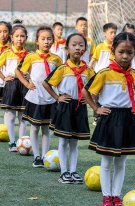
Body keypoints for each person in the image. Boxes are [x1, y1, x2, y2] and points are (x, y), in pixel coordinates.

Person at [82, 32, 135, 206]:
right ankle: (106, 196)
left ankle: (117, 196)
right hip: (109, 118)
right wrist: (96, 108)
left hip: (127, 120)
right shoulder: (104, 73)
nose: (125, 56)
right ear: (113, 51)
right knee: (107, 162)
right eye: (121, 52)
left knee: (121, 162)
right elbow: (86, 92)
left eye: (129, 52)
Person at [43, 33, 94, 184]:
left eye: (81, 45)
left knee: (75, 142)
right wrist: (57, 97)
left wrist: (90, 98)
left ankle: (73, 171)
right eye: (74, 45)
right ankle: (64, 172)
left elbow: (96, 86)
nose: (78, 48)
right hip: (65, 107)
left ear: (85, 48)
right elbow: (46, 83)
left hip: (80, 107)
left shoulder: (88, 70)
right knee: (64, 141)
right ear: (67, 49)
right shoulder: (62, 69)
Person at [16, 26, 62, 167]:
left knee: (46, 128)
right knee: (35, 128)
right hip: (35, 98)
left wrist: (59, 94)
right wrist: (27, 84)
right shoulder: (30, 57)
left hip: (50, 98)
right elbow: (18, 71)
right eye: (43, 39)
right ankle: (36, 156)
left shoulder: (57, 59)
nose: (46, 42)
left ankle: (45, 155)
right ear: (37, 41)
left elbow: (60, 77)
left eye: (49, 39)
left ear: (53, 41)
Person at [0, 21, 28, 152]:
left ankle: (22, 141)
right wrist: (3, 77)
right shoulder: (7, 53)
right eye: (17, 36)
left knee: (23, 115)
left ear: (26, 39)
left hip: (24, 85)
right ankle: (12, 142)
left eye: (22, 36)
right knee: (10, 114)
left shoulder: (29, 54)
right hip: (11, 84)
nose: (20, 38)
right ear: (11, 37)